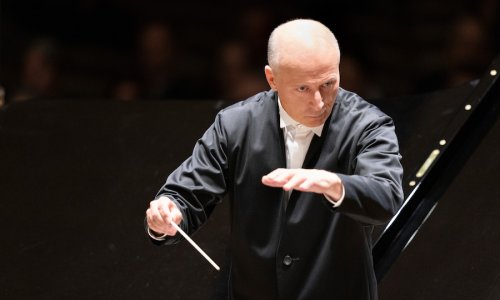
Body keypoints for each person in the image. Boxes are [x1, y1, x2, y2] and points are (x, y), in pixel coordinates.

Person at [146, 19, 403, 299]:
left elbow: (386, 196)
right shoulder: (235, 125)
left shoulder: (368, 125)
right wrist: (166, 212)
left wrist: (334, 183)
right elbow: (184, 196)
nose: (319, 102)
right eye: (303, 88)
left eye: (328, 83)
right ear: (272, 79)